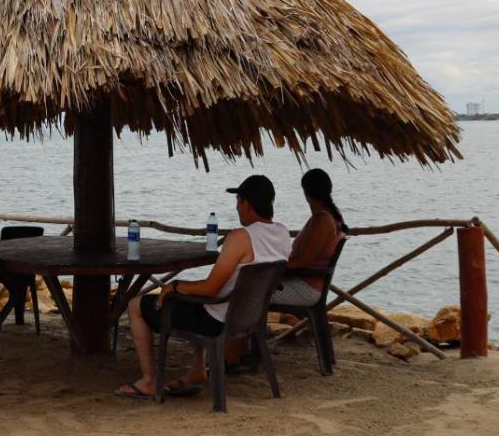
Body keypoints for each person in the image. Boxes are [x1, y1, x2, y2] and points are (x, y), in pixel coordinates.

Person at [116, 175, 292, 399]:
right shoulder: (282, 233)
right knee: (191, 298)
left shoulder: (241, 237)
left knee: (136, 305)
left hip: (216, 321)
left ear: (246, 203)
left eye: (238, 201)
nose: (237, 207)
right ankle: (198, 370)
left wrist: (174, 286)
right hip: (249, 317)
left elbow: (210, 290)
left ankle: (149, 381)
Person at [278, 168, 348, 306]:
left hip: (305, 289)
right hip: (304, 283)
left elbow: (304, 261)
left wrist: (272, 265)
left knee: (249, 291)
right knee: (252, 286)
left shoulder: (322, 221)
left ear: (306, 194)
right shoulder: (332, 214)